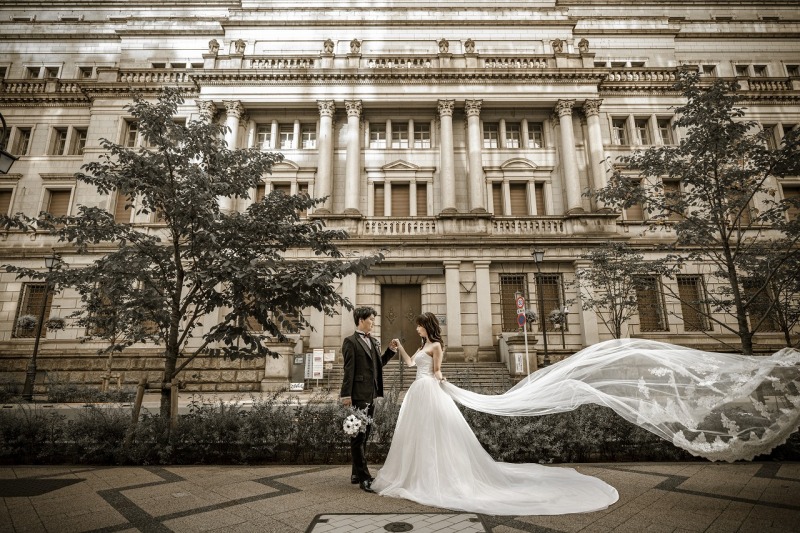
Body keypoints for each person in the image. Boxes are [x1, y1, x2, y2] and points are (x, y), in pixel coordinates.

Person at [371, 312, 800, 515]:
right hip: (420, 392)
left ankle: (437, 478)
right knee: (422, 438)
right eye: (417, 329)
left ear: (429, 327)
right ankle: (419, 474)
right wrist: (400, 350)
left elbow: (437, 372)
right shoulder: (419, 346)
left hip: (431, 391)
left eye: (419, 327)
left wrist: (444, 383)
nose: (417, 330)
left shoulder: (438, 346)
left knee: (441, 437)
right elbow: (411, 366)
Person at [340, 306, 397, 493]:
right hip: (357, 395)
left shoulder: (373, 341)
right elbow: (348, 370)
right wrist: (346, 395)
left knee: (364, 435)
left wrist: (390, 351)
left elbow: (378, 365)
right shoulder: (350, 342)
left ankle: (356, 473)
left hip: (371, 394)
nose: (373, 322)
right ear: (361, 320)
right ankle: (364, 478)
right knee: (358, 436)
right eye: (371, 319)